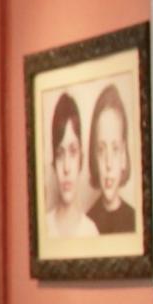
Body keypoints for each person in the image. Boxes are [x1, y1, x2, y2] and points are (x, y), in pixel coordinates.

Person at [42, 92, 95, 243]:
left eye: (73, 152)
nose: (66, 167)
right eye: (60, 154)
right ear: (53, 162)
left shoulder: (91, 232)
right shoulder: (43, 229)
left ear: (81, 159)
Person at [87, 86, 138, 236]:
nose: (108, 164)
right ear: (94, 157)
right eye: (102, 150)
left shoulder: (136, 221)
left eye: (115, 149)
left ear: (124, 157)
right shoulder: (87, 226)